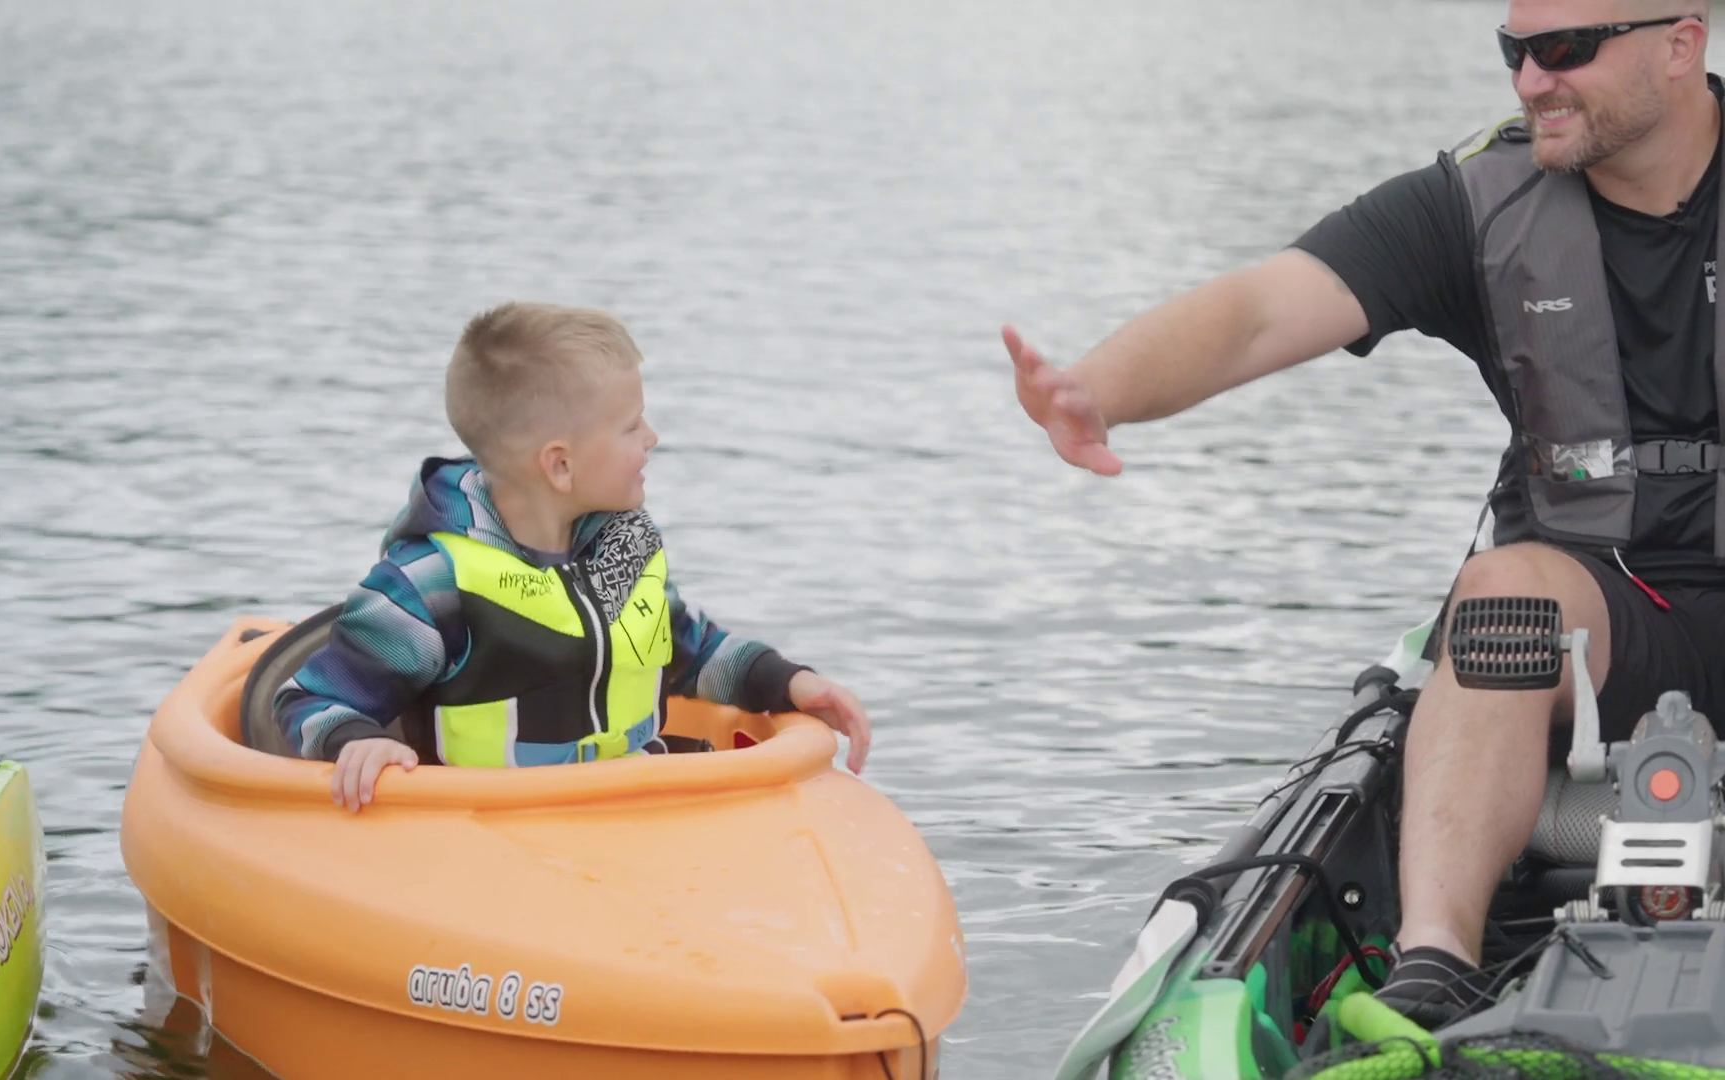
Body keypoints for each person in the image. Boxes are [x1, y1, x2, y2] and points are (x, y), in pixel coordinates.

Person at [1009, 0, 1720, 1027]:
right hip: (1603, 623)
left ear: (1681, 45)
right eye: (1516, 52)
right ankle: (1435, 968)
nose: (1531, 82)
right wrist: (1098, 391)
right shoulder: (1477, 202)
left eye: (1565, 51)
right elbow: (1260, 311)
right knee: (1500, 590)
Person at [277, 302, 871, 812]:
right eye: (631, 426)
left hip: (633, 814)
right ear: (560, 465)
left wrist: (789, 682)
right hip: (484, 833)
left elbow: (691, 651)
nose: (652, 438)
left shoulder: (622, 550)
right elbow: (309, 697)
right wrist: (355, 740)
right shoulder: (432, 582)